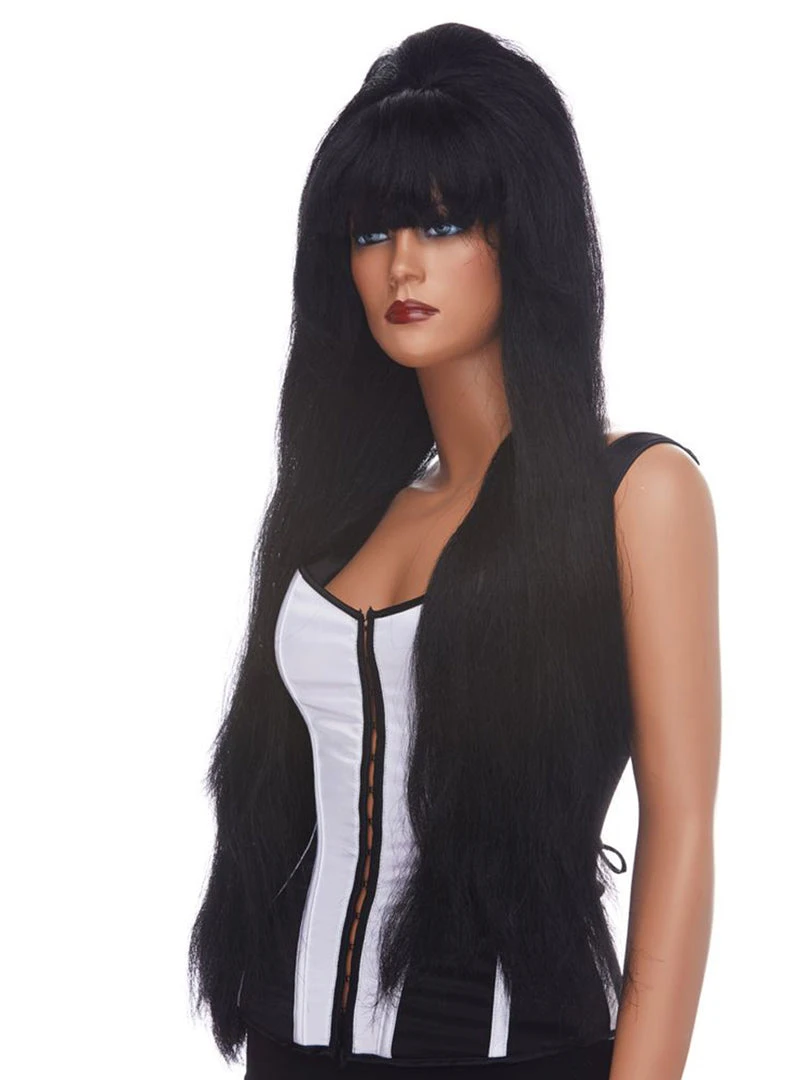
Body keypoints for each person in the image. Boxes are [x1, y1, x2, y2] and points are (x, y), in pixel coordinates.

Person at [188, 22, 720, 1080]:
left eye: (442, 222)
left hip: (514, 1051)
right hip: (292, 1052)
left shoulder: (637, 493)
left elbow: (684, 825)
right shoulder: (342, 514)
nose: (401, 263)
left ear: (524, 235)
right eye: (371, 230)